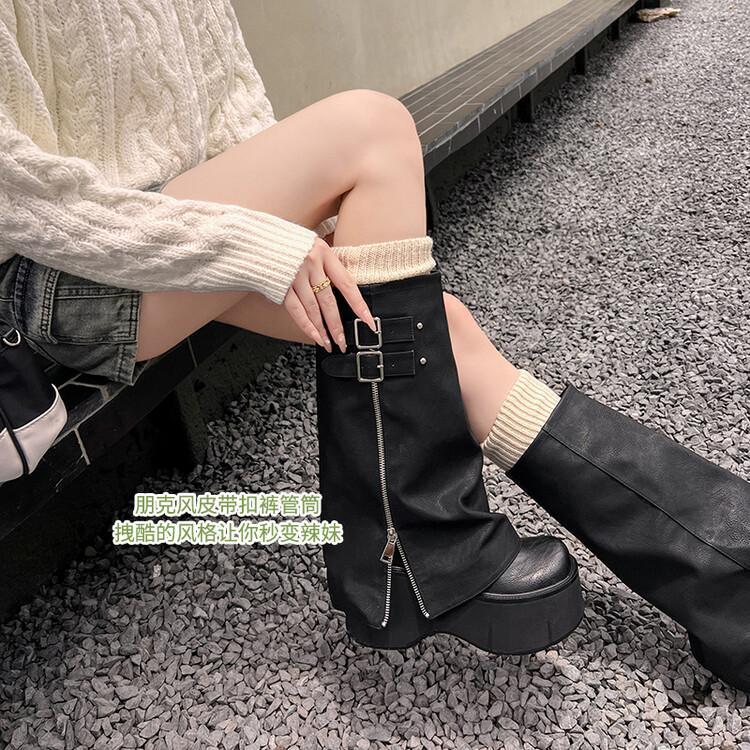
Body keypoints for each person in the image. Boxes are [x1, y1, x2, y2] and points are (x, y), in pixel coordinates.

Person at [1, 1, 748, 692]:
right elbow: (17, 195)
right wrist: (239, 240)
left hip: (166, 237)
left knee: (432, 327)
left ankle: (728, 573)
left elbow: (235, 118)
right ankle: (421, 550)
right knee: (371, 127)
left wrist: (313, 230)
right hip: (57, 273)